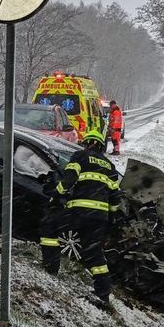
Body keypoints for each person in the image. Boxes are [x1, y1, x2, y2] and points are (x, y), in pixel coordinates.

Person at [39, 127, 122, 304]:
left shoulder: (80, 156)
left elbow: (68, 180)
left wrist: (55, 197)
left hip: (79, 210)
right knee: (93, 251)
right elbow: (115, 197)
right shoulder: (110, 167)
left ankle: (51, 268)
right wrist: (112, 219)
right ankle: (103, 293)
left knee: (49, 226)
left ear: (89, 144)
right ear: (101, 146)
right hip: (99, 216)